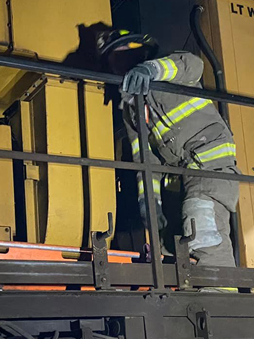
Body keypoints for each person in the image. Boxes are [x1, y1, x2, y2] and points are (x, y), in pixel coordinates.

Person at [91, 26, 239, 271]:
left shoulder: (169, 69)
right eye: (111, 58)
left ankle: (219, 297)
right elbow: (145, 160)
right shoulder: (131, 108)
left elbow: (193, 65)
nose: (116, 62)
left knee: (201, 226)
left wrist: (151, 70)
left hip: (211, 162)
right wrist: (149, 203)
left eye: (121, 52)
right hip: (180, 174)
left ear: (141, 50)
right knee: (169, 240)